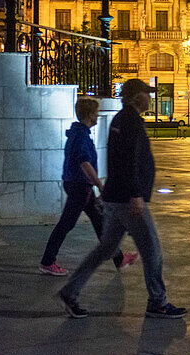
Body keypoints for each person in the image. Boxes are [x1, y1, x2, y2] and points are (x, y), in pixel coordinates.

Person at [58, 79, 186, 320]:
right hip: (128, 199)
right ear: (136, 97)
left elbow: (122, 160)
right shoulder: (130, 122)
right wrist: (136, 194)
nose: (150, 98)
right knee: (153, 250)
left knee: (105, 248)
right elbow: (128, 161)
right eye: (146, 94)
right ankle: (158, 302)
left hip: (115, 197)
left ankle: (70, 291)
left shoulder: (120, 119)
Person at [39, 97, 138, 276]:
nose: (98, 115)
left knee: (99, 222)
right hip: (79, 187)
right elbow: (84, 163)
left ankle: (119, 258)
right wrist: (99, 185)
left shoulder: (80, 134)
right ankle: (47, 261)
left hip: (80, 186)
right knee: (66, 224)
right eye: (96, 112)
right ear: (90, 115)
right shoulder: (81, 136)